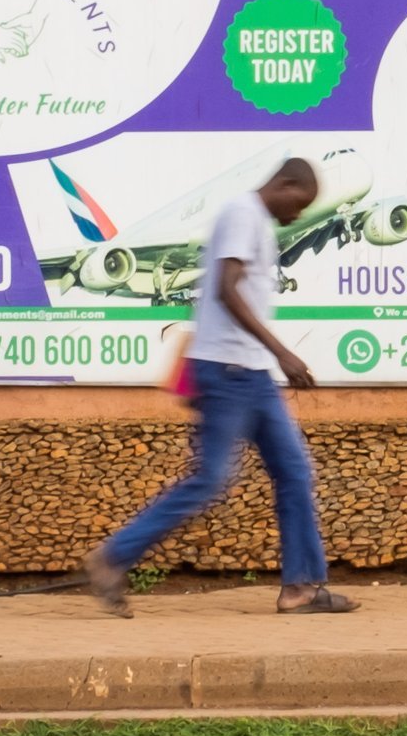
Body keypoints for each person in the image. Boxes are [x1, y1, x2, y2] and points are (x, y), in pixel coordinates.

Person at [80, 157, 356, 618]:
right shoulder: (241, 215)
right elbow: (227, 290)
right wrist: (283, 352)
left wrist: (266, 358)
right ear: (285, 184)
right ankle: (112, 558)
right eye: (299, 204)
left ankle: (301, 589)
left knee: (293, 472)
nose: (299, 215)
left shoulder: (260, 224)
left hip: (251, 375)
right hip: (228, 374)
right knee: (210, 479)